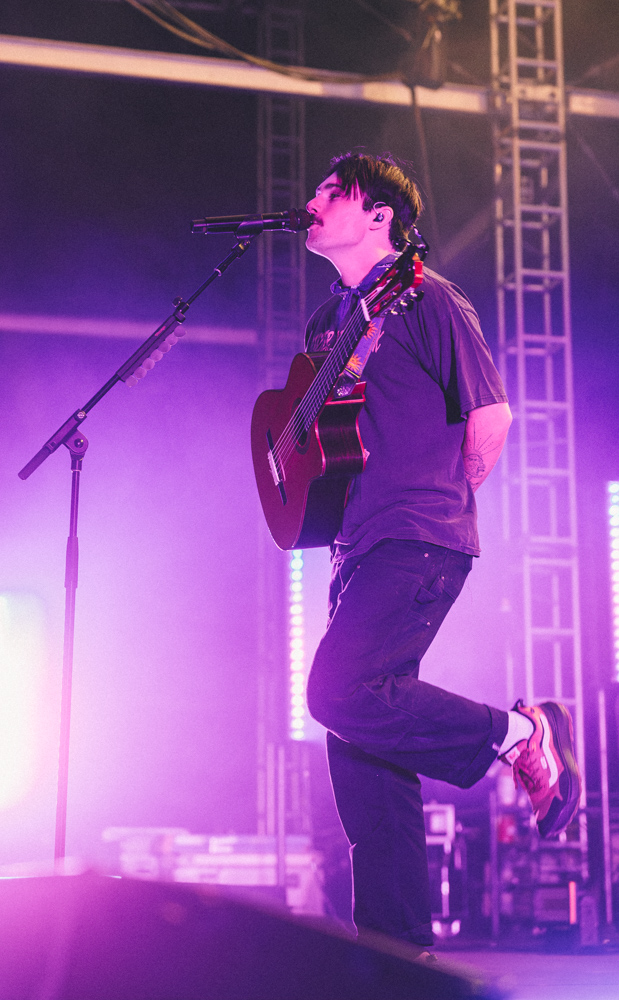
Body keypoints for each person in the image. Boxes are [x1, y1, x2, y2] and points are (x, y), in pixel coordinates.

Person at [303, 152, 581, 953]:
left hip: (417, 535)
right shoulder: (329, 325)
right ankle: (395, 953)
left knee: (336, 691)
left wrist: (434, 498)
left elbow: (489, 418)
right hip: (353, 549)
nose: (311, 202)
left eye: (330, 192)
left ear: (378, 215)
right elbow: (316, 444)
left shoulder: (427, 298)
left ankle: (518, 737)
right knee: (363, 742)